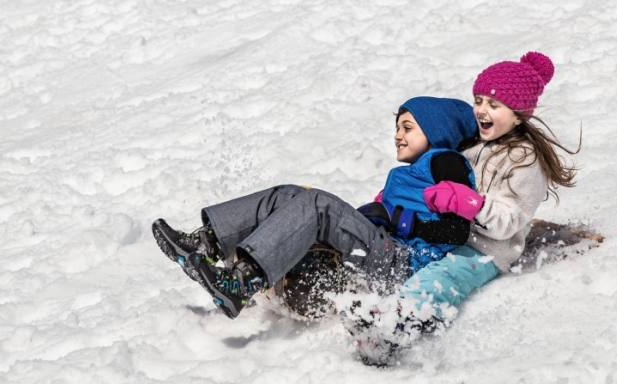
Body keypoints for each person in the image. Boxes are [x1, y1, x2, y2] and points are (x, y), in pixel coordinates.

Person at [343, 51, 581, 365]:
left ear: (519, 114)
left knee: (441, 279)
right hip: (446, 236)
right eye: (479, 100)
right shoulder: (470, 146)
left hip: (483, 250)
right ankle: (370, 306)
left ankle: (394, 333)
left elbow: (508, 222)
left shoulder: (526, 162)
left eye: (494, 105)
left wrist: (471, 205)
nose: (482, 110)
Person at [151, 96, 480, 321]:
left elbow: (458, 230)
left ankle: (242, 283)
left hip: (404, 265)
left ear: (438, 133)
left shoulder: (446, 162)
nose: (397, 135)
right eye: (396, 128)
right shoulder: (407, 173)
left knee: (318, 203)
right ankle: (207, 243)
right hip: (385, 252)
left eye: (408, 128)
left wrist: (405, 224)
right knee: (290, 194)